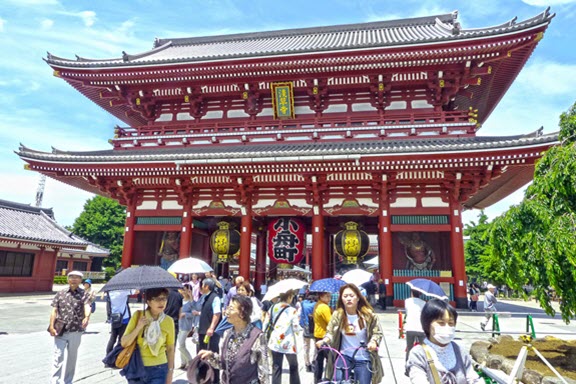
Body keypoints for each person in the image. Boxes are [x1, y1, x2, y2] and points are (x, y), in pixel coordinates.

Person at [317, 283, 383, 384]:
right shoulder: (337, 314)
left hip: (363, 356)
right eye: (345, 296)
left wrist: (373, 342)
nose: (348, 299)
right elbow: (330, 332)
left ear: (358, 298)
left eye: (351, 296)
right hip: (344, 355)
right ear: (341, 299)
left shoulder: (368, 315)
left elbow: (377, 332)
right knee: (338, 380)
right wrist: (324, 340)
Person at [406, 299, 483, 383]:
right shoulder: (418, 353)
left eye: (451, 323)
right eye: (441, 323)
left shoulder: (459, 350)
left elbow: (472, 377)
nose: (447, 327)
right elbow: (418, 379)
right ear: (427, 324)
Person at [197, 295, 270, 383]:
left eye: (231, 309)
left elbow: (264, 371)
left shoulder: (257, 336)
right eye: (227, 308)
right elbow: (225, 364)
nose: (226, 312)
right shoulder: (228, 333)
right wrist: (211, 355)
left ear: (242, 313)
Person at [121, 287, 175, 383]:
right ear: (149, 302)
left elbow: (170, 349)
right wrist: (138, 327)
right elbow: (124, 342)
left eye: (164, 298)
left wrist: (170, 372)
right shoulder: (138, 316)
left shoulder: (169, 321)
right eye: (157, 299)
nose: (161, 302)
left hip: (159, 368)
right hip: (137, 367)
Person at [48, 270, 91, 384]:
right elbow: (54, 310)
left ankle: (68, 381)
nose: (74, 279)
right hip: (60, 329)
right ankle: (55, 381)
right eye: (71, 277)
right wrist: (51, 326)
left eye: (77, 277)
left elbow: (87, 306)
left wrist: (87, 317)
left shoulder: (84, 294)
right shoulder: (60, 293)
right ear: (68, 279)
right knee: (58, 355)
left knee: (72, 357)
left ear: (80, 280)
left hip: (76, 330)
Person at [267, 290, 302, 384]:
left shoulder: (273, 307)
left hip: (275, 340)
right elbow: (296, 327)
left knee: (276, 366)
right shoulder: (292, 310)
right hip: (288, 342)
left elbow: (267, 322)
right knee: (293, 366)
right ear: (289, 297)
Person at [195, 278, 222, 383]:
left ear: (206, 286)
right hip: (202, 330)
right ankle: (203, 377)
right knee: (201, 354)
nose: (201, 287)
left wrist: (211, 327)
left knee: (211, 354)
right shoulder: (204, 297)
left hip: (210, 332)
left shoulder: (215, 298)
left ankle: (214, 379)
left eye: (202, 285)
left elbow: (217, 314)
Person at [105, 288, 134, 356]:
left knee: (113, 338)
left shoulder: (110, 292)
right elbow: (136, 291)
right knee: (121, 338)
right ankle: (117, 356)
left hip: (114, 317)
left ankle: (108, 355)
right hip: (124, 318)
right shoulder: (123, 291)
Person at [313, 291, 332, 383]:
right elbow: (331, 322)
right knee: (330, 359)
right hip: (324, 336)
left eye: (329, 296)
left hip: (318, 334)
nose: (329, 298)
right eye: (327, 296)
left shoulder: (318, 305)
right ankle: (328, 378)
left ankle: (317, 379)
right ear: (321, 296)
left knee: (319, 359)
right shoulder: (324, 307)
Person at [404, 289, 426, 366]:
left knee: (409, 348)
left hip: (410, 327)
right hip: (421, 328)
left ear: (412, 293)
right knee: (423, 349)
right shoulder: (423, 303)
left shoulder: (407, 301)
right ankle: (423, 364)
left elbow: (407, 311)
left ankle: (407, 365)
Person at [177, 285, 195, 370]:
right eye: (183, 290)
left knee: (180, 345)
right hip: (179, 324)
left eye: (185, 290)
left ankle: (190, 361)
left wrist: (185, 314)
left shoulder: (191, 302)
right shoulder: (180, 300)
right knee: (182, 344)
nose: (184, 292)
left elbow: (194, 313)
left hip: (186, 325)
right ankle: (183, 362)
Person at [299, 292, 316, 373]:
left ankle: (307, 364)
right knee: (316, 347)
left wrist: (301, 324)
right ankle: (314, 362)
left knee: (306, 347)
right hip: (315, 327)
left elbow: (301, 315)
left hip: (306, 327)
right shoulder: (316, 304)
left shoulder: (303, 304)